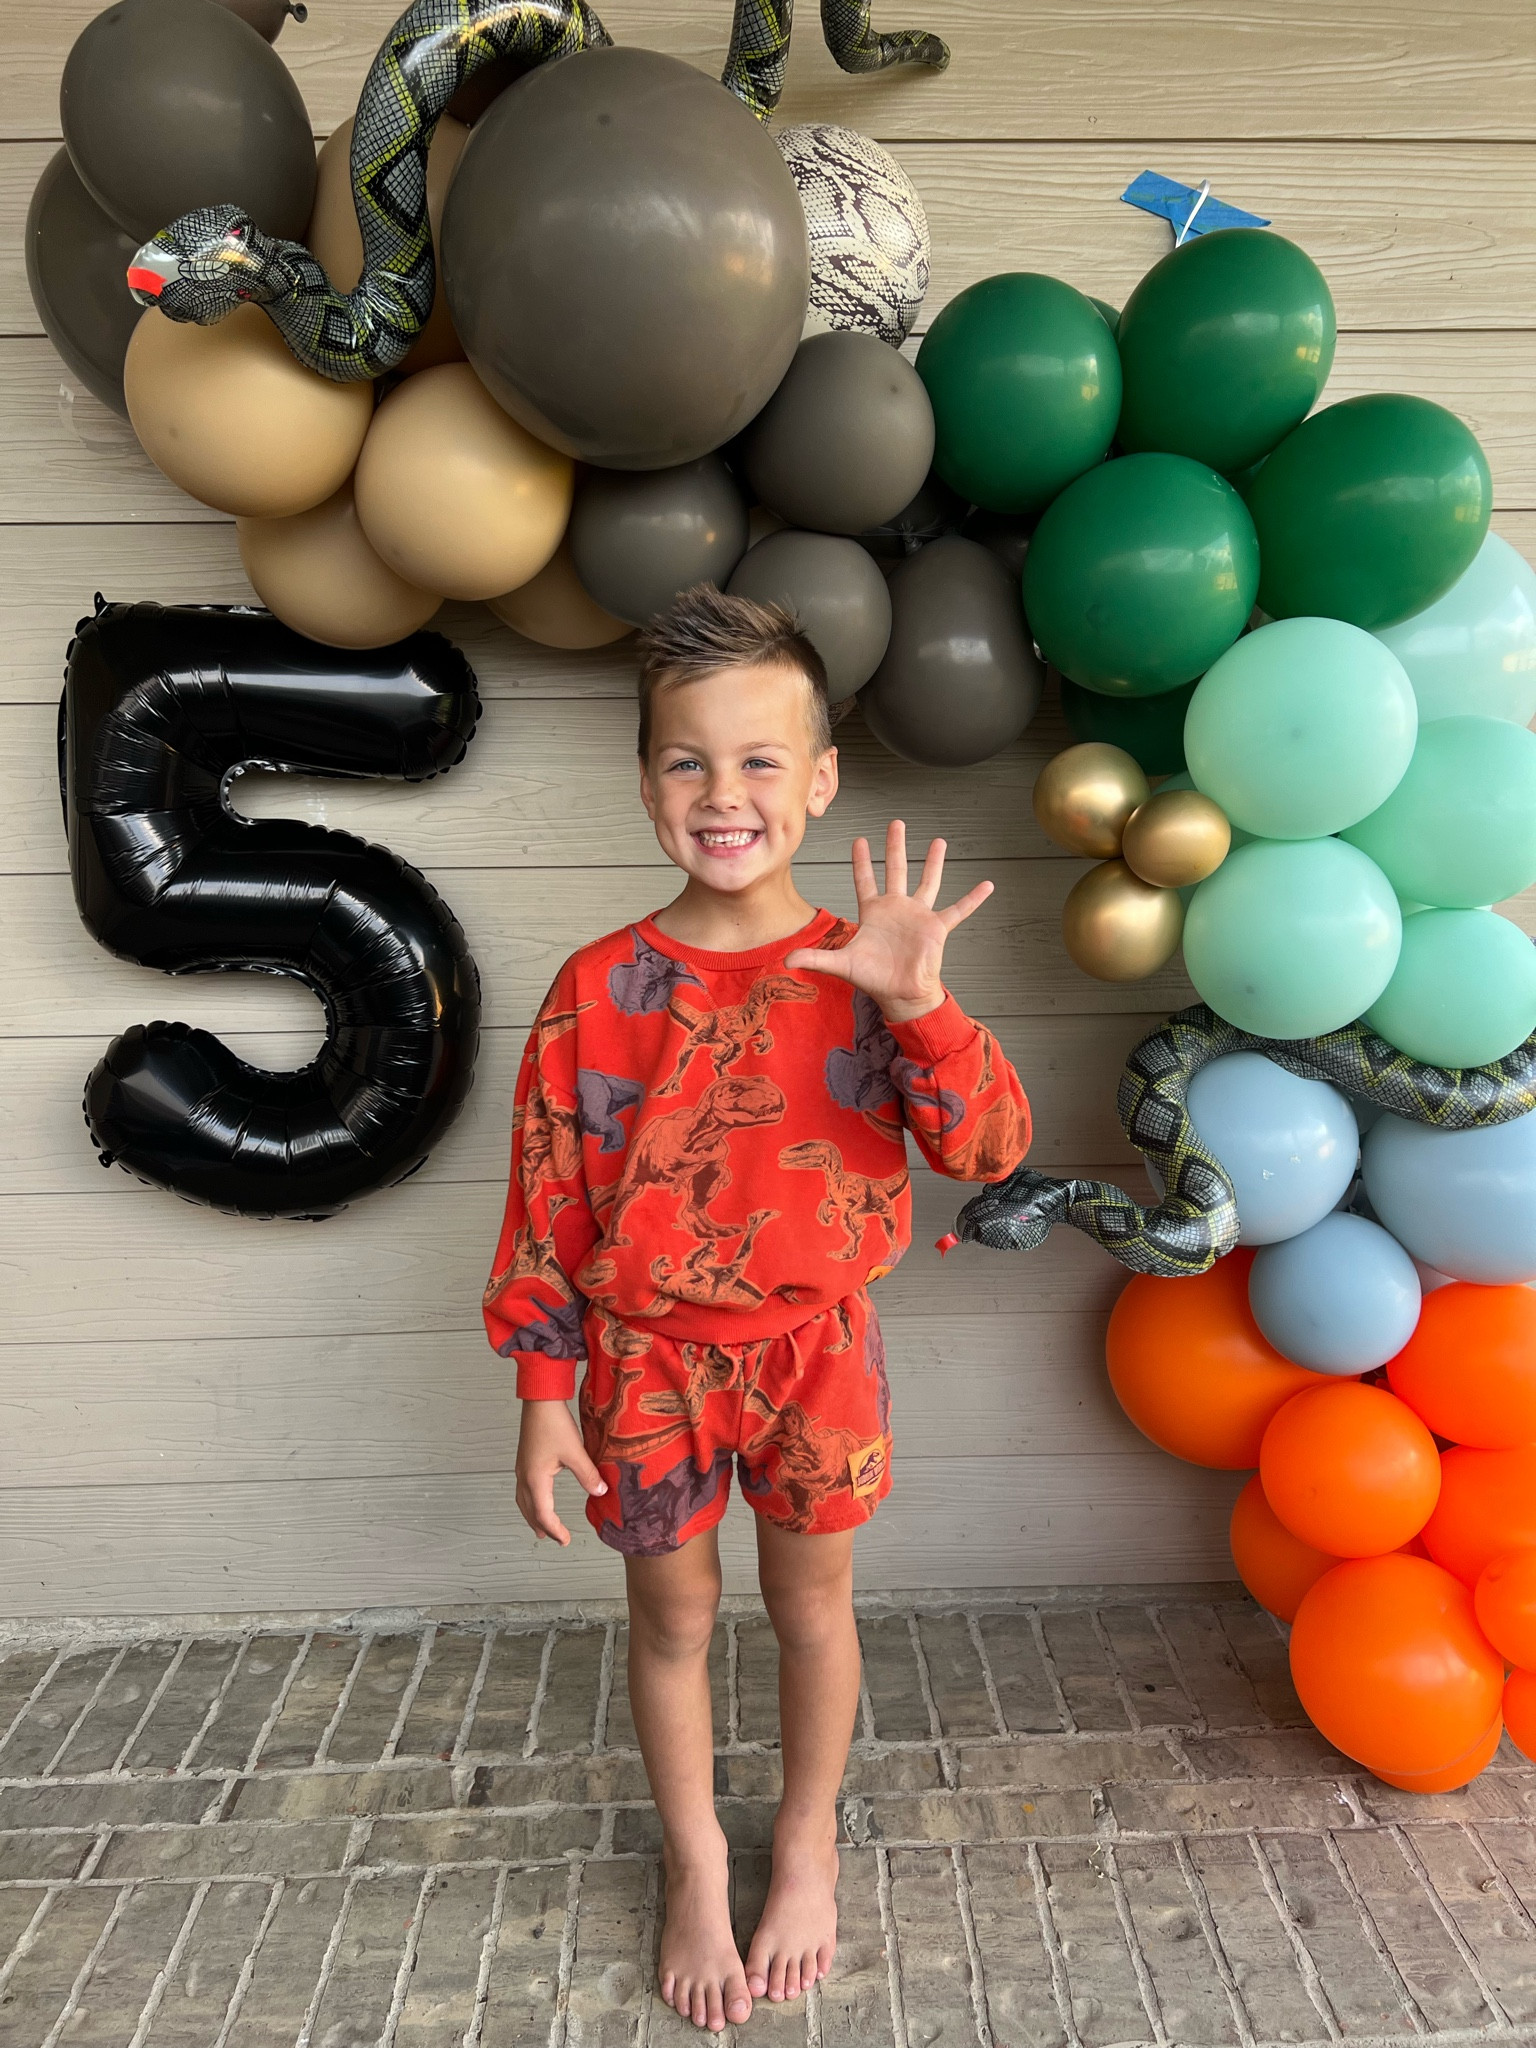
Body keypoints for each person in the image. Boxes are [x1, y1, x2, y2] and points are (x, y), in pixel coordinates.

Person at [484, 585, 1031, 2033]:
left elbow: (987, 1151)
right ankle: (695, 1857)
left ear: (825, 776)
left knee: (811, 1606)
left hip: (816, 1360)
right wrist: (544, 1396)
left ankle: (804, 1841)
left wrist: (921, 1007)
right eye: (687, 760)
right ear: (646, 776)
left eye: (761, 758)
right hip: (644, 1368)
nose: (724, 795)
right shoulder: (597, 991)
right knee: (670, 1618)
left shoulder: (872, 967)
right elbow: (548, 1199)